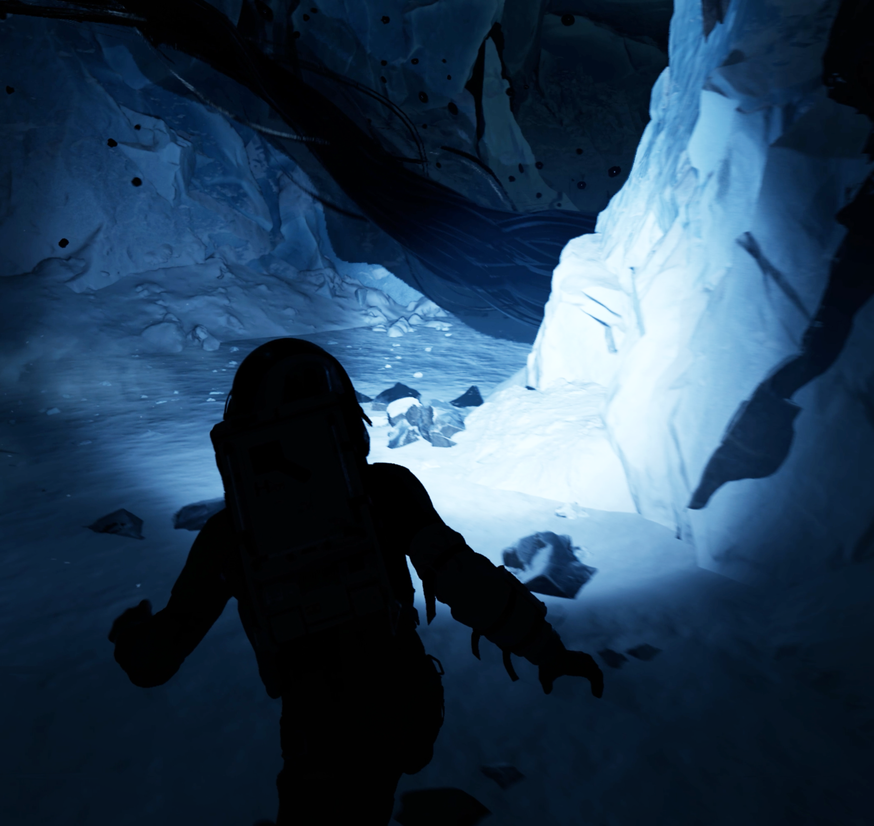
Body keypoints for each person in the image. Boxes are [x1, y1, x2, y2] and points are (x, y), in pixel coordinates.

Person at [106, 338, 604, 825]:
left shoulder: (229, 533)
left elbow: (156, 660)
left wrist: (130, 638)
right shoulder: (387, 490)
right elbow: (464, 578)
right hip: (401, 706)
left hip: (317, 728)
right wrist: (546, 649)